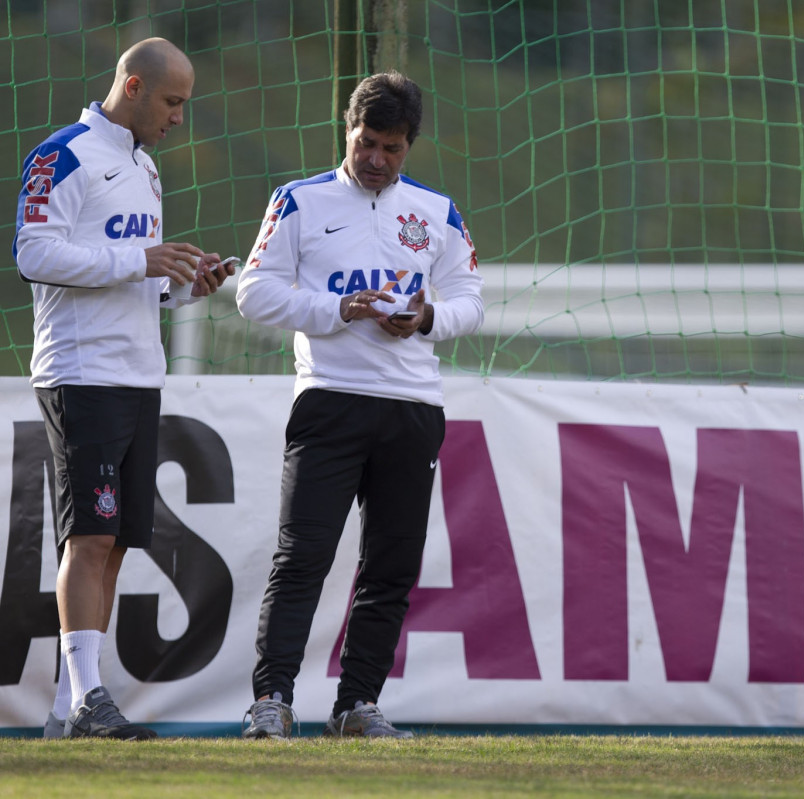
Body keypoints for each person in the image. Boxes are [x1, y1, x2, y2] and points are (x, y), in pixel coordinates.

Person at [236, 71, 483, 739]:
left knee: (392, 563)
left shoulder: (438, 213)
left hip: (411, 405)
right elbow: (252, 293)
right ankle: (272, 700)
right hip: (330, 401)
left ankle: (356, 704)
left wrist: (428, 316)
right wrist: (335, 309)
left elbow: (471, 301)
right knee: (303, 554)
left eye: (392, 148)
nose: (376, 159)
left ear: (411, 146)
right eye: (366, 142)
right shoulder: (298, 201)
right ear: (348, 131)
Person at [12, 37, 236, 740]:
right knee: (91, 534)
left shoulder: (146, 169)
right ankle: (87, 702)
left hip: (138, 373)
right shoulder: (62, 155)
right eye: (172, 102)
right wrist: (138, 257)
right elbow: (33, 251)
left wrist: (177, 282)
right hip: (82, 374)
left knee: (111, 544)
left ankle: (67, 707)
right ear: (134, 86)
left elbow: (133, 281)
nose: (179, 118)